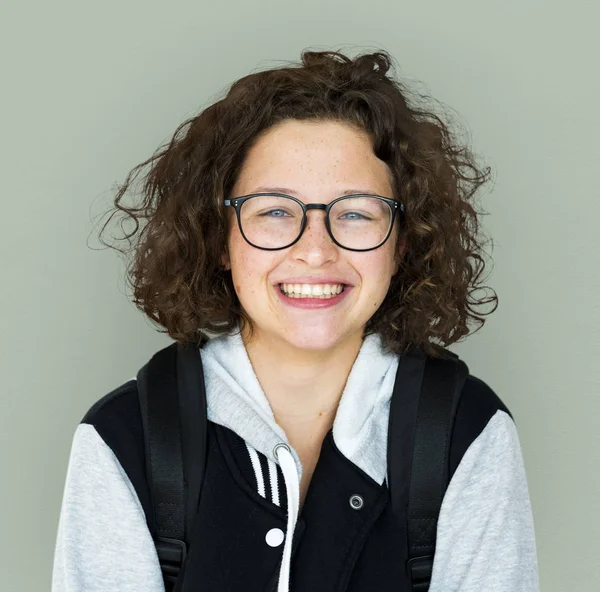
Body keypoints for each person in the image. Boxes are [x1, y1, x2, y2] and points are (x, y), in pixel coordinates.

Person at [51, 49, 539, 591]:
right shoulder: (125, 438)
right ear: (220, 238)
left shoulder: (466, 433)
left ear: (403, 243)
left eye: (354, 212)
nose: (315, 251)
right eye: (275, 211)